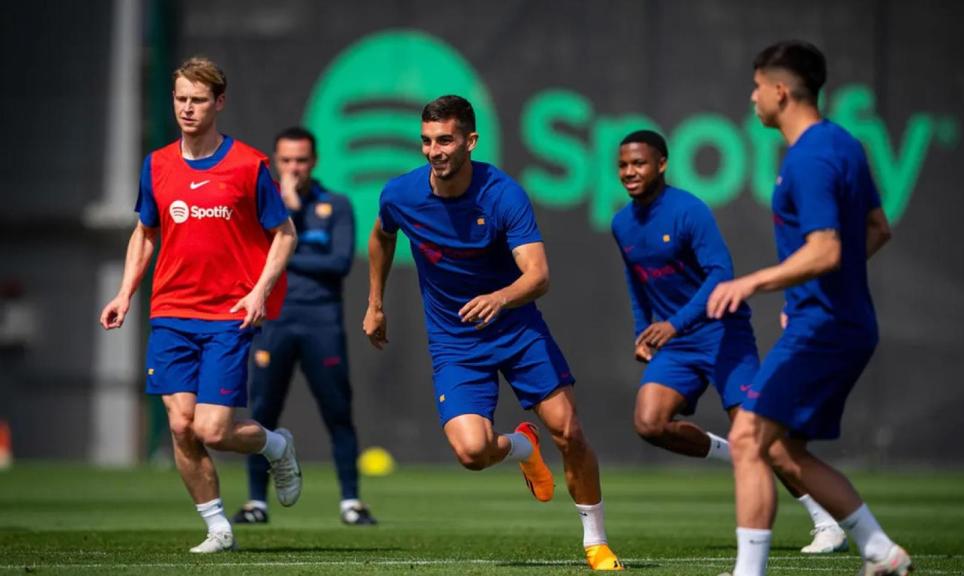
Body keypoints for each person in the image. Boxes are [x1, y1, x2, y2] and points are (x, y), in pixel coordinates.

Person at [363, 95, 622, 571]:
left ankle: (596, 542)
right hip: (455, 342)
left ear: (471, 141)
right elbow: (381, 235)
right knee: (472, 451)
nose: (433, 150)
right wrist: (376, 304)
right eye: (426, 141)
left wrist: (500, 298)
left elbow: (538, 275)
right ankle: (523, 447)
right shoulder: (400, 194)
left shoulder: (503, 194)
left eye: (445, 139)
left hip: (518, 330)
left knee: (569, 431)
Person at [707, 41, 911, 576]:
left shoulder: (809, 158)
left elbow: (826, 249)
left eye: (756, 87)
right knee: (781, 450)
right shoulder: (843, 144)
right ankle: (880, 552)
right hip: (840, 320)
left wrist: (754, 282)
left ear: (780, 90)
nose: (751, 98)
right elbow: (877, 230)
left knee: (748, 438)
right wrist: (812, 290)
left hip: (824, 327)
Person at [99, 57, 302, 554]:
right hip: (170, 313)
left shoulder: (247, 165)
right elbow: (145, 232)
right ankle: (217, 527)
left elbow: (284, 234)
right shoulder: (157, 164)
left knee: (212, 428)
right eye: (180, 99)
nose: (187, 109)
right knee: (179, 424)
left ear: (219, 103)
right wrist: (125, 293)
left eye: (198, 100)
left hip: (227, 315)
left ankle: (277, 445)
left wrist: (258, 290)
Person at [612, 129, 849, 554]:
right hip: (677, 341)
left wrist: (674, 324)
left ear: (661, 165)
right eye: (623, 165)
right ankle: (732, 454)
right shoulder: (622, 222)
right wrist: (641, 331)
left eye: (639, 163)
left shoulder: (689, 211)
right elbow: (635, 281)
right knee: (649, 423)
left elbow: (721, 272)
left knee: (763, 437)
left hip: (723, 334)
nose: (630, 172)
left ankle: (826, 521)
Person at [232, 127, 376, 526]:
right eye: (287, 161)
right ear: (276, 162)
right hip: (272, 320)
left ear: (314, 162)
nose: (294, 168)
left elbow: (339, 263)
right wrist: (289, 217)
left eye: (301, 160)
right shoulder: (264, 204)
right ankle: (256, 503)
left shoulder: (337, 204)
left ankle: (351, 501)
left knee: (338, 411)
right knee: (262, 411)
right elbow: (255, 259)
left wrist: (288, 242)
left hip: (321, 322)